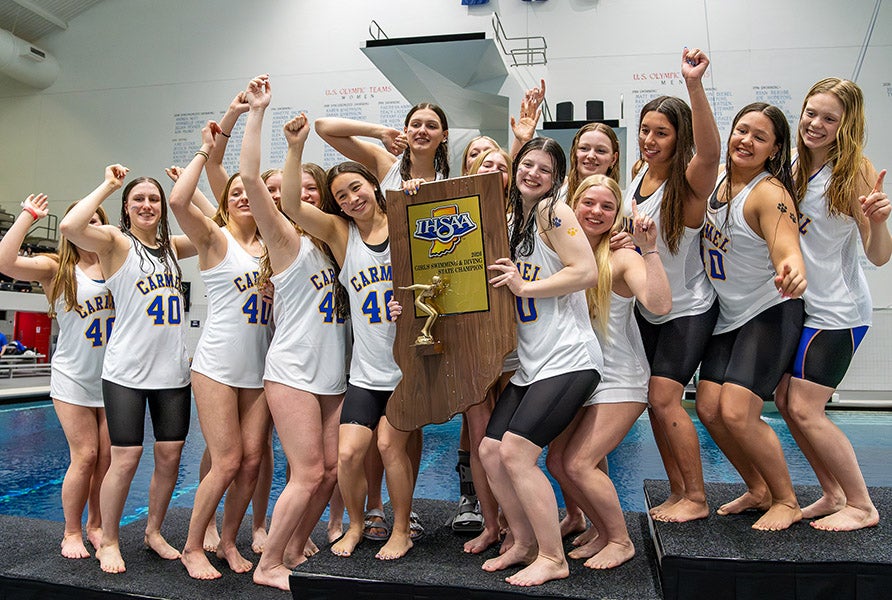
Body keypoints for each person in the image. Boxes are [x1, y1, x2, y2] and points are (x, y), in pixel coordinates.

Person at [232, 75, 347, 590]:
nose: (300, 196)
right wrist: (263, 117)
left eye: (309, 190)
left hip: (334, 375)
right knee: (306, 473)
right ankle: (268, 562)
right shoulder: (282, 239)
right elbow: (252, 179)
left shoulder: (334, 243)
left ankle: (295, 547)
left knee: (328, 472)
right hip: (294, 372)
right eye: (294, 191)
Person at [295, 113, 423, 560]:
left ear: (374, 184)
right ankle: (354, 524)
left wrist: (415, 305)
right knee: (349, 455)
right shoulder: (341, 235)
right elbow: (291, 204)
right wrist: (296, 149)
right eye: (340, 196)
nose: (351, 199)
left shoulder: (406, 218)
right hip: (367, 372)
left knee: (390, 447)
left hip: (409, 370)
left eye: (356, 188)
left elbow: (441, 284)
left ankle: (401, 529)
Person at [477, 137, 601, 587]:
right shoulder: (512, 220)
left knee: (516, 453)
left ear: (557, 179)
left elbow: (584, 271)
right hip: (533, 363)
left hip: (569, 358)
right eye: (526, 164)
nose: (533, 174)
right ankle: (525, 541)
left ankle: (553, 556)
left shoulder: (554, 213)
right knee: (490, 451)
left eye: (544, 170)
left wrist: (524, 287)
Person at [59, 165, 195, 573]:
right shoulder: (115, 242)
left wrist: (190, 180)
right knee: (126, 457)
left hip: (172, 373)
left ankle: (153, 532)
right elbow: (69, 225)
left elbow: (216, 231)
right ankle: (110, 539)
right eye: (138, 199)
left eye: (154, 199)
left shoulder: (173, 246)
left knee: (170, 455)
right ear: (126, 207)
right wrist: (108, 184)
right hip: (126, 374)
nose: (147, 205)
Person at [774, 78, 889, 532]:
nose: (815, 124)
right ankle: (832, 492)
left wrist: (879, 222)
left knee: (805, 408)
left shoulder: (855, 170)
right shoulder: (796, 167)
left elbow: (879, 254)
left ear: (847, 125)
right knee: (785, 401)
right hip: (805, 306)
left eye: (829, 118)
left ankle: (862, 505)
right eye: (811, 113)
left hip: (839, 311)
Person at [547, 175, 671, 569]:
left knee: (578, 463)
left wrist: (648, 250)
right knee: (557, 461)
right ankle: (600, 529)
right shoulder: (560, 252)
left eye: (606, 207)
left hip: (620, 378)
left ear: (616, 215)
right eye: (589, 204)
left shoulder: (621, 256)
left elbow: (659, 304)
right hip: (582, 375)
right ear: (573, 204)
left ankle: (620, 539)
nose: (596, 212)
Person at [168, 120, 272, 579]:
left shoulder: (273, 246)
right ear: (225, 202)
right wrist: (203, 151)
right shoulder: (213, 239)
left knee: (251, 461)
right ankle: (193, 545)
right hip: (216, 367)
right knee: (227, 459)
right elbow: (177, 201)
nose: (244, 199)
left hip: (261, 369)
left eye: (249, 193)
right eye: (235, 195)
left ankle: (229, 541)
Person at [696, 102, 807, 531]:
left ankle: (787, 498)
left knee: (738, 412)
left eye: (760, 137)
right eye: (742, 131)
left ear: (774, 148)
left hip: (769, 310)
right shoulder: (717, 183)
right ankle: (757, 488)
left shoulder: (769, 193)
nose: (746, 141)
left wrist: (792, 269)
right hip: (729, 316)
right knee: (707, 408)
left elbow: (787, 246)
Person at [624, 48, 722, 523]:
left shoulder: (689, 180)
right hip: (648, 311)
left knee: (665, 399)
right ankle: (679, 491)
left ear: (677, 137)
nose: (649, 140)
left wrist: (694, 85)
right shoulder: (639, 175)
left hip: (686, 309)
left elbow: (711, 152)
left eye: (661, 133)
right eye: (645, 130)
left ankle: (698, 498)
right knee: (653, 403)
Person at [0, 193, 113, 559]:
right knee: (86, 455)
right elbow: (5, 262)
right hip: (74, 377)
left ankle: (96, 525)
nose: (89, 226)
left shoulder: (120, 264)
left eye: (96, 221)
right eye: (84, 220)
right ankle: (71, 532)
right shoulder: (56, 267)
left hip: (115, 377)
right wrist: (28, 216)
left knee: (107, 459)